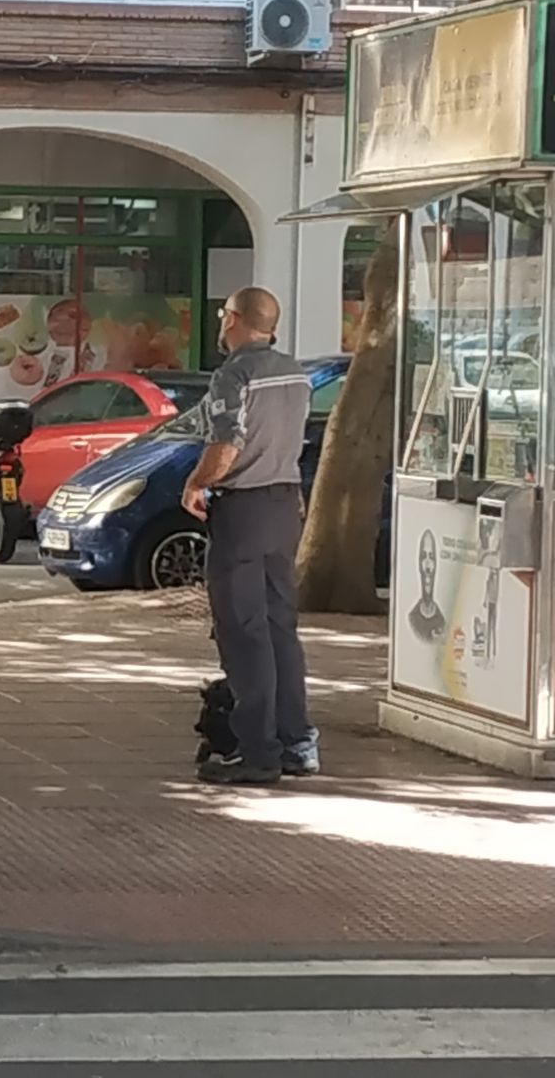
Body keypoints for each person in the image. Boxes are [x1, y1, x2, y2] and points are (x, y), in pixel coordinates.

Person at [181, 286, 317, 786]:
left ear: (234, 319)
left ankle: (256, 751)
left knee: (243, 631)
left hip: (243, 510)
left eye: (223, 315)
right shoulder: (297, 372)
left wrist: (196, 483)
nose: (221, 323)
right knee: (281, 627)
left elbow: (226, 446)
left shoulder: (235, 374)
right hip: (283, 503)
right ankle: (296, 742)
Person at [409, 529, 447, 644]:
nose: (427, 563)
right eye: (423, 556)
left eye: (431, 557)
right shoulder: (413, 618)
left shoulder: (442, 619)